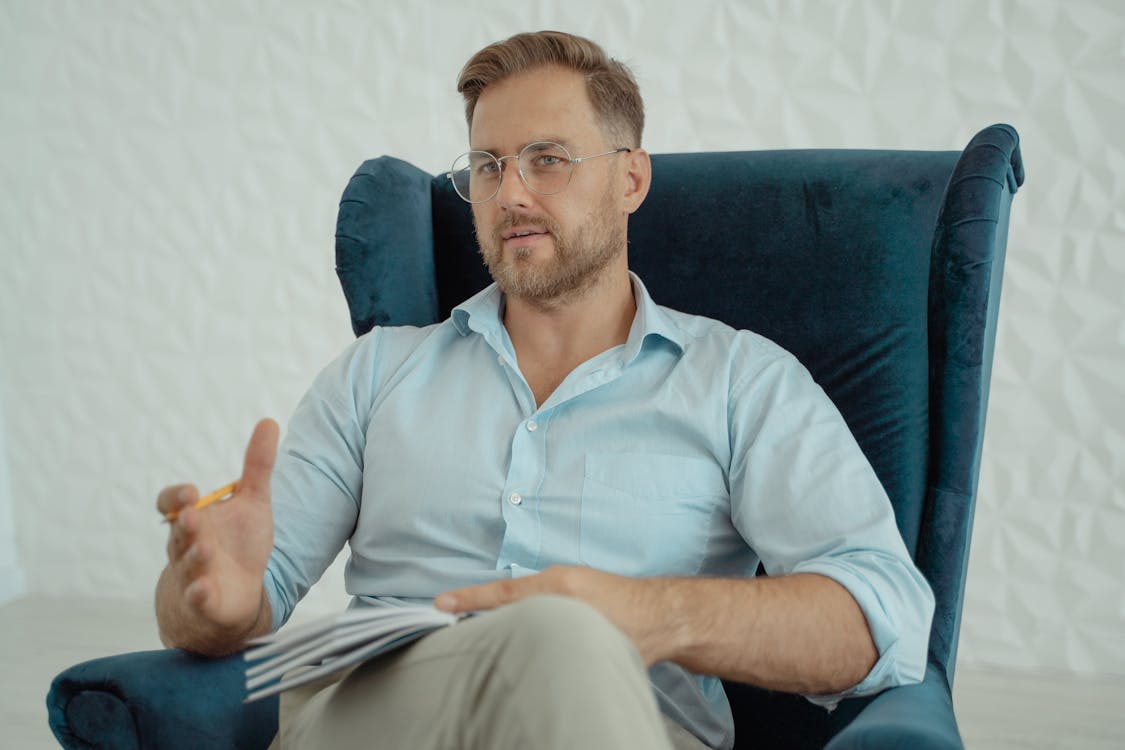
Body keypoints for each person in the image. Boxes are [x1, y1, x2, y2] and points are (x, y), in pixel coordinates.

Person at [155, 30, 935, 750]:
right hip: (384, 717)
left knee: (562, 636)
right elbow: (237, 603)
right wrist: (207, 602)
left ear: (630, 177)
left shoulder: (740, 381)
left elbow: (881, 618)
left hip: (624, 724)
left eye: (548, 159)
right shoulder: (374, 374)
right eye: (488, 165)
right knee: (553, 634)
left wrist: (648, 616)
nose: (510, 194)